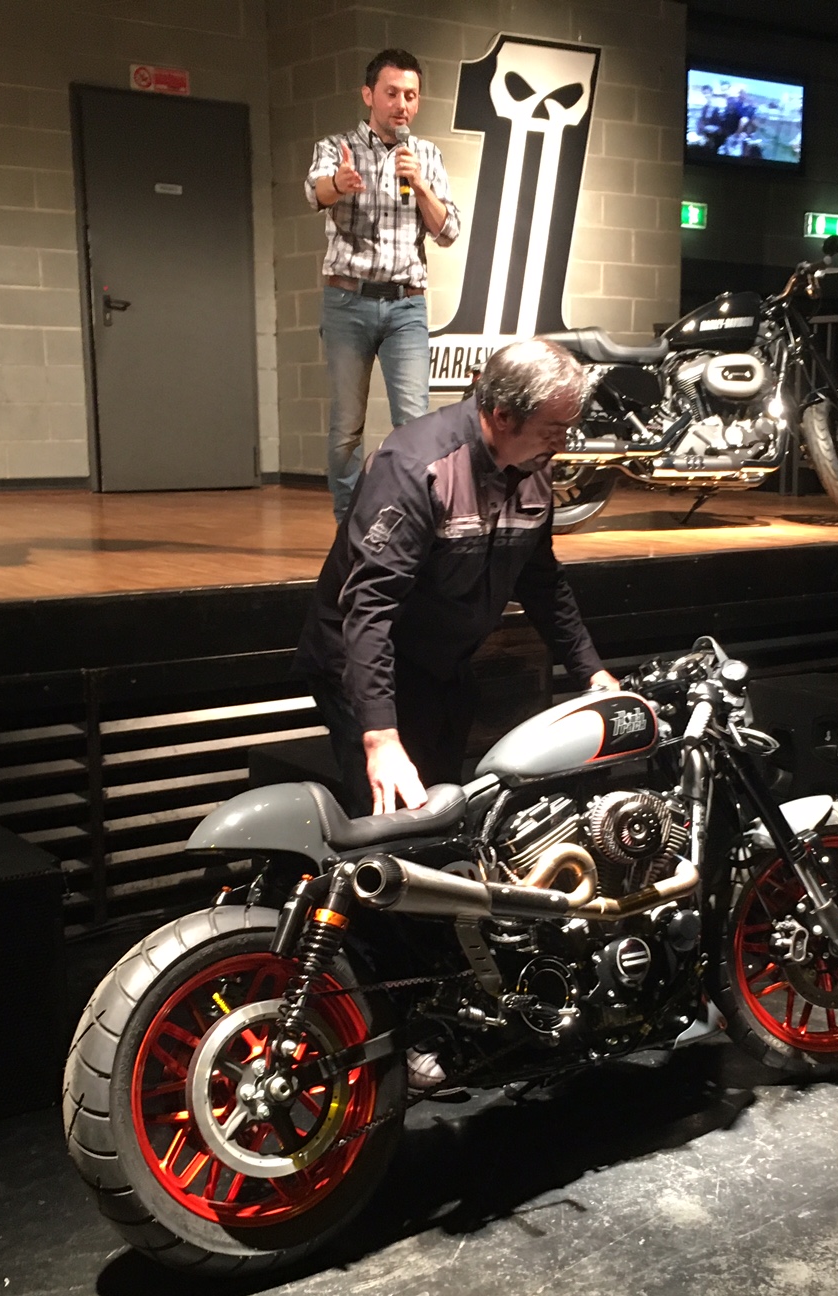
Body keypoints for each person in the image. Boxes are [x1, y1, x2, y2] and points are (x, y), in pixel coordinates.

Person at [294, 338, 619, 819]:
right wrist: (381, 737)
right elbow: (370, 608)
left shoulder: (534, 465)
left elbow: (541, 580)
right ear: (503, 416)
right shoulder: (416, 466)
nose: (563, 444)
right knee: (391, 816)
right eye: (553, 430)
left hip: (441, 661)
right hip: (362, 660)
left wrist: (591, 672)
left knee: (444, 807)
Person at [305, 48, 462, 521]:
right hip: (347, 301)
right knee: (346, 427)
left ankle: (409, 523)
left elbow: (448, 231)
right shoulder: (337, 147)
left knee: (414, 424)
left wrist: (421, 184)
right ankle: (348, 527)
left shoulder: (426, 155)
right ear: (368, 95)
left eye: (410, 96)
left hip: (405, 308)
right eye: (392, 93)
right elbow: (315, 192)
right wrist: (340, 183)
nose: (401, 105)